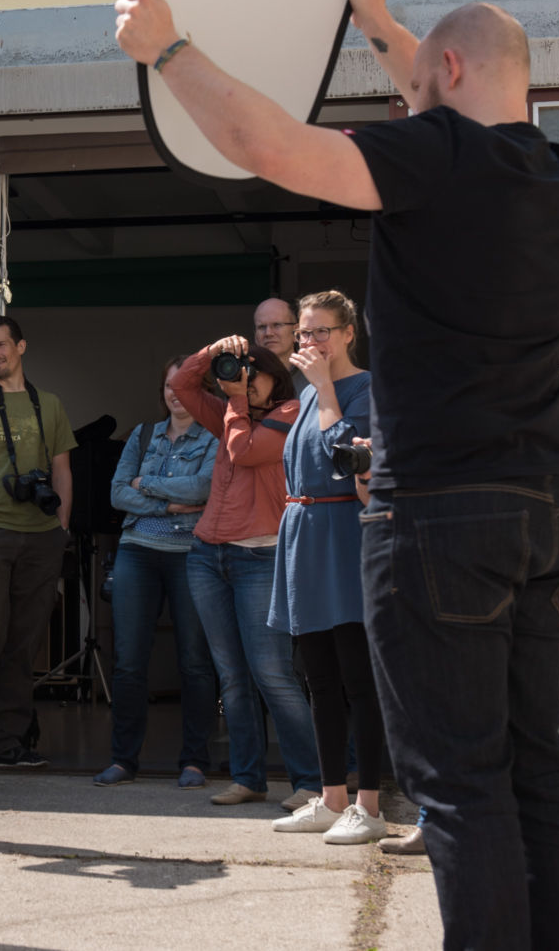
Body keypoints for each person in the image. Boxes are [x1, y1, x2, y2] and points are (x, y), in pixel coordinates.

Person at [116, 0, 559, 949]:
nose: (406, 90)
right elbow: (451, 84)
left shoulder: (436, 158)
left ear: (449, 72)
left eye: (418, 72)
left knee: (461, 779)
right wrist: (382, 25)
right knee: (538, 763)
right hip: (547, 509)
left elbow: (268, 145)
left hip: (441, 515)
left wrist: (167, 51)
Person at [169, 341, 322, 809]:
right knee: (232, 676)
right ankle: (248, 777)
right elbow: (182, 384)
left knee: (272, 673)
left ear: (277, 378)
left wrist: (234, 399)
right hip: (208, 556)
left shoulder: (291, 411)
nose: (245, 382)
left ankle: (312, 783)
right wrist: (215, 351)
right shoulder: (231, 412)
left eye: (255, 374)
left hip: (261, 557)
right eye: (239, 373)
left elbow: (246, 451)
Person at [265, 292, 385, 845]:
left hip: (343, 537)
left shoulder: (363, 390)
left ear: (348, 334)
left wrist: (327, 390)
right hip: (305, 537)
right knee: (317, 678)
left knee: (358, 679)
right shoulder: (310, 393)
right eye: (304, 333)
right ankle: (332, 797)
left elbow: (347, 460)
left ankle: (370, 804)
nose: (310, 343)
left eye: (321, 332)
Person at [0, 315, 77, 776]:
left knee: (24, 642)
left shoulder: (51, 404)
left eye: (1, 345)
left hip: (41, 536)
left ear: (20, 347)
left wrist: (62, 526)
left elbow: (61, 468)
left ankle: (8, 743)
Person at [92, 356, 218, 789]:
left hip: (191, 553)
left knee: (195, 661)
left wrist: (146, 485)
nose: (175, 393)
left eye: (185, 385)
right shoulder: (142, 435)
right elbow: (116, 493)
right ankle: (123, 760)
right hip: (137, 552)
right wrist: (168, 505)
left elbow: (203, 488)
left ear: (201, 391)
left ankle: (195, 761)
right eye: (169, 385)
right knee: (128, 662)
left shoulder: (214, 436)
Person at [253, 297, 307, 394]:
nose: (268, 333)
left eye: (277, 325)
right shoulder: (246, 378)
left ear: (297, 332)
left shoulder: (313, 377)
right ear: (255, 336)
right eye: (262, 327)